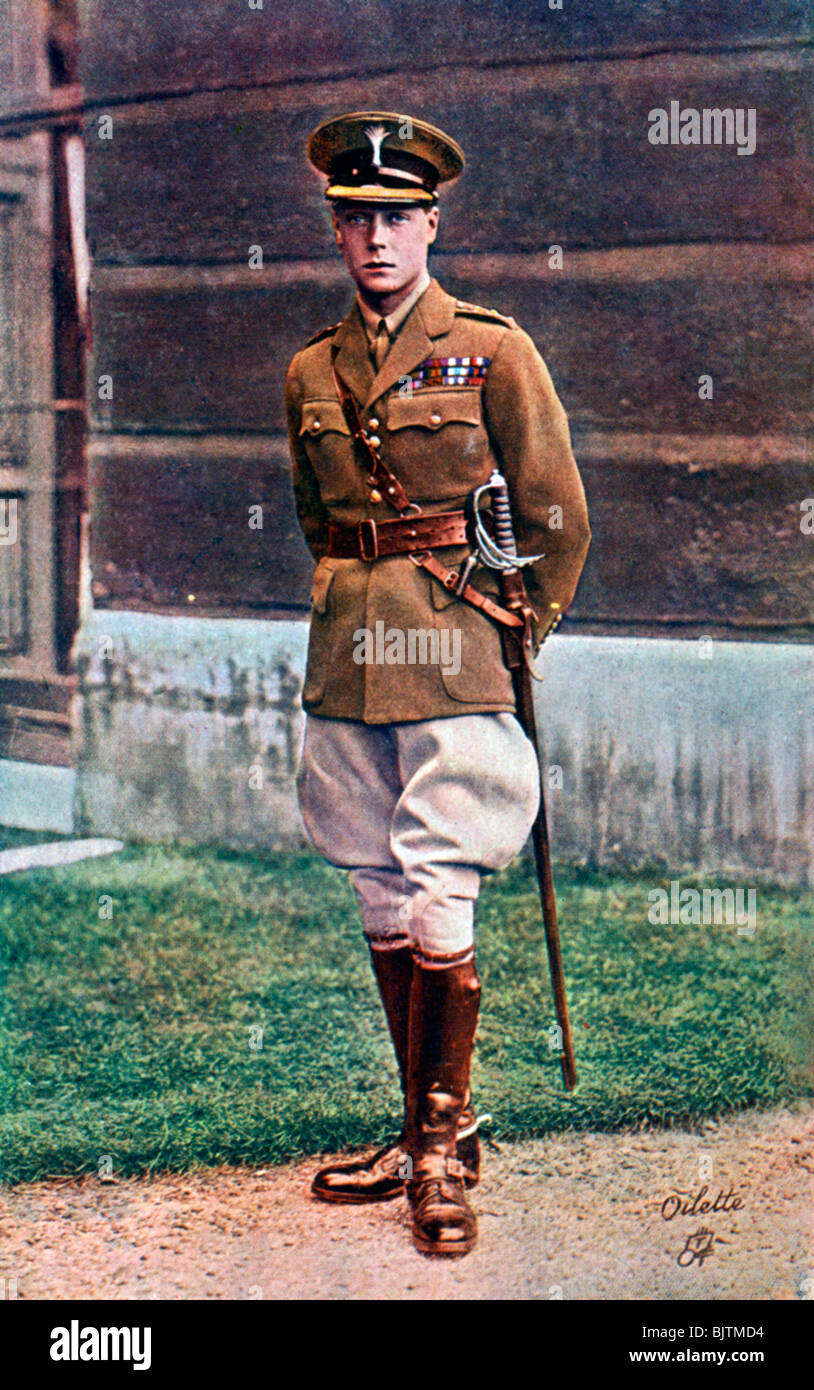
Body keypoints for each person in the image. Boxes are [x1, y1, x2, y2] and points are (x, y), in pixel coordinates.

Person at [284, 111, 591, 1257]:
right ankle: (425, 1130)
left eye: (394, 220)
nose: (374, 240)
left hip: (458, 647)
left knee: (440, 878)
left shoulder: (492, 349)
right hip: (348, 651)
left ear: (429, 225)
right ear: (335, 231)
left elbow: (555, 508)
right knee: (374, 877)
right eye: (354, 220)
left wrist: (523, 622)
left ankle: (441, 1151)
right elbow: (322, 520)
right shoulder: (311, 367)